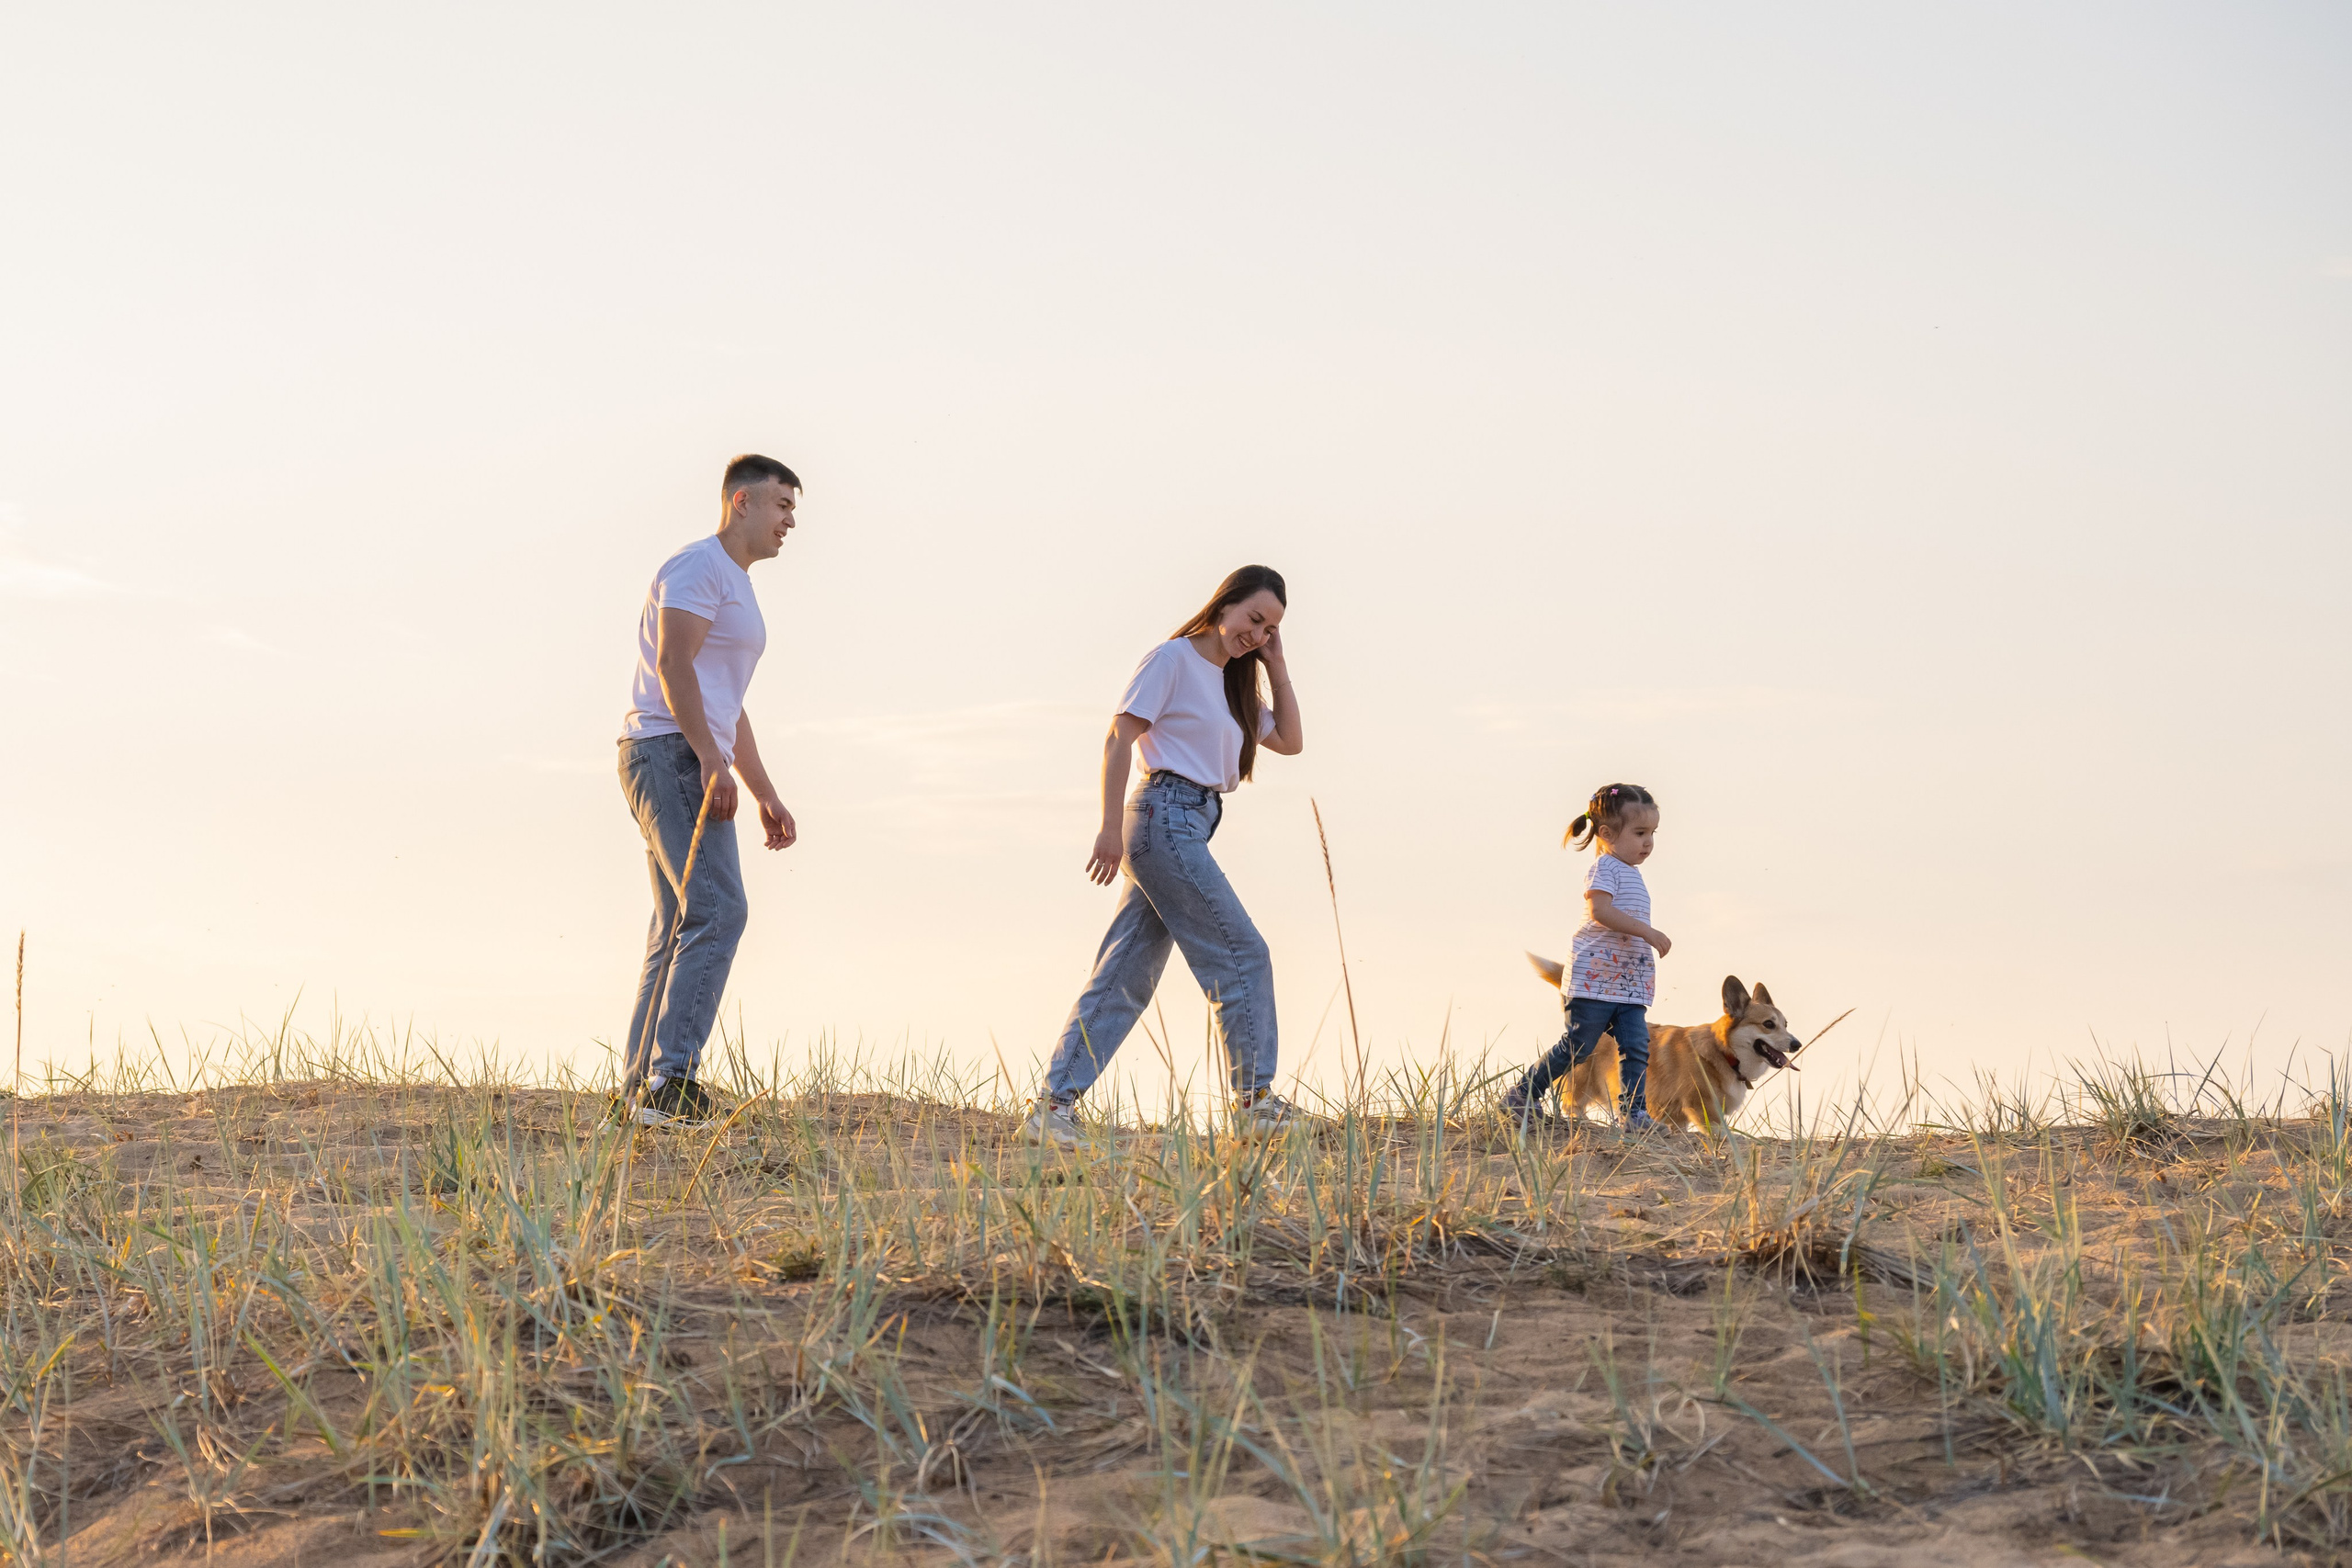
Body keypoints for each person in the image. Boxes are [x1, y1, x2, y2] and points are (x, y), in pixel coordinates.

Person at [1025, 566, 1306, 1148]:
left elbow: (1290, 741)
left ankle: (1052, 1109)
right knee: (1243, 952)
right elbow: (1117, 737)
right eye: (1253, 619)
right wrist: (1108, 828)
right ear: (1224, 604)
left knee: (1127, 970)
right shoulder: (1172, 660)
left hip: (1190, 826)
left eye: (1269, 629)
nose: (1255, 635)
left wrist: (1276, 665)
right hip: (1161, 817)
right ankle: (1255, 1101)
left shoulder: (1233, 686)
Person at [615, 455, 801, 1128]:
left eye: (792, 511)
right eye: (781, 506)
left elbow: (729, 702)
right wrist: (706, 759)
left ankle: (639, 1089)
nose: (788, 523)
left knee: (678, 924)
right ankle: (671, 1082)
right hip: (670, 752)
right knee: (718, 911)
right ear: (741, 501)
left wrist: (763, 790)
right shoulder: (699, 566)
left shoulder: (738, 586)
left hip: (682, 752)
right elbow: (673, 663)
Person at [1502, 784, 1669, 1131]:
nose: (1648, 842)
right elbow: (1600, 911)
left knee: (1637, 1046)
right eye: (1640, 833)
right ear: (1607, 834)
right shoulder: (1604, 867)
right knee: (1579, 1045)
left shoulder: (1632, 874)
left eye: (1652, 833)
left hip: (1627, 986)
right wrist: (1648, 932)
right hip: (1593, 981)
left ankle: (1633, 1113)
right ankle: (1521, 1095)